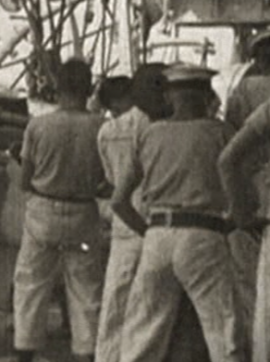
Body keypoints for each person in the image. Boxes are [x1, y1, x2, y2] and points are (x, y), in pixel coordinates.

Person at [114, 64, 246, 362]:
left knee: (142, 332)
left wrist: (149, 231)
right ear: (204, 95)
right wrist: (235, 221)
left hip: (157, 235)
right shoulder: (221, 132)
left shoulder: (150, 135)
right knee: (223, 330)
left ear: (171, 97)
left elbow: (119, 201)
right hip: (203, 234)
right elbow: (243, 184)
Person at [13, 58, 106, 362]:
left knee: (30, 286)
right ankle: (85, 354)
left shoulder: (39, 126)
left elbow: (25, 179)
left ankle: (25, 354)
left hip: (43, 212)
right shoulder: (100, 127)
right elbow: (106, 181)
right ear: (89, 86)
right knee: (85, 291)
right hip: (83, 213)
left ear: (57, 86)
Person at [94, 65, 169, 362]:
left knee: (116, 299)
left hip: (125, 221)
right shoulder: (159, 125)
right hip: (157, 216)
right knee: (154, 303)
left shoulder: (108, 132)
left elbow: (111, 180)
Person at [224, 28, 270, 346]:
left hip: (254, 186)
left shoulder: (244, 89)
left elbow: (231, 143)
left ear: (258, 56)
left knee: (251, 281)